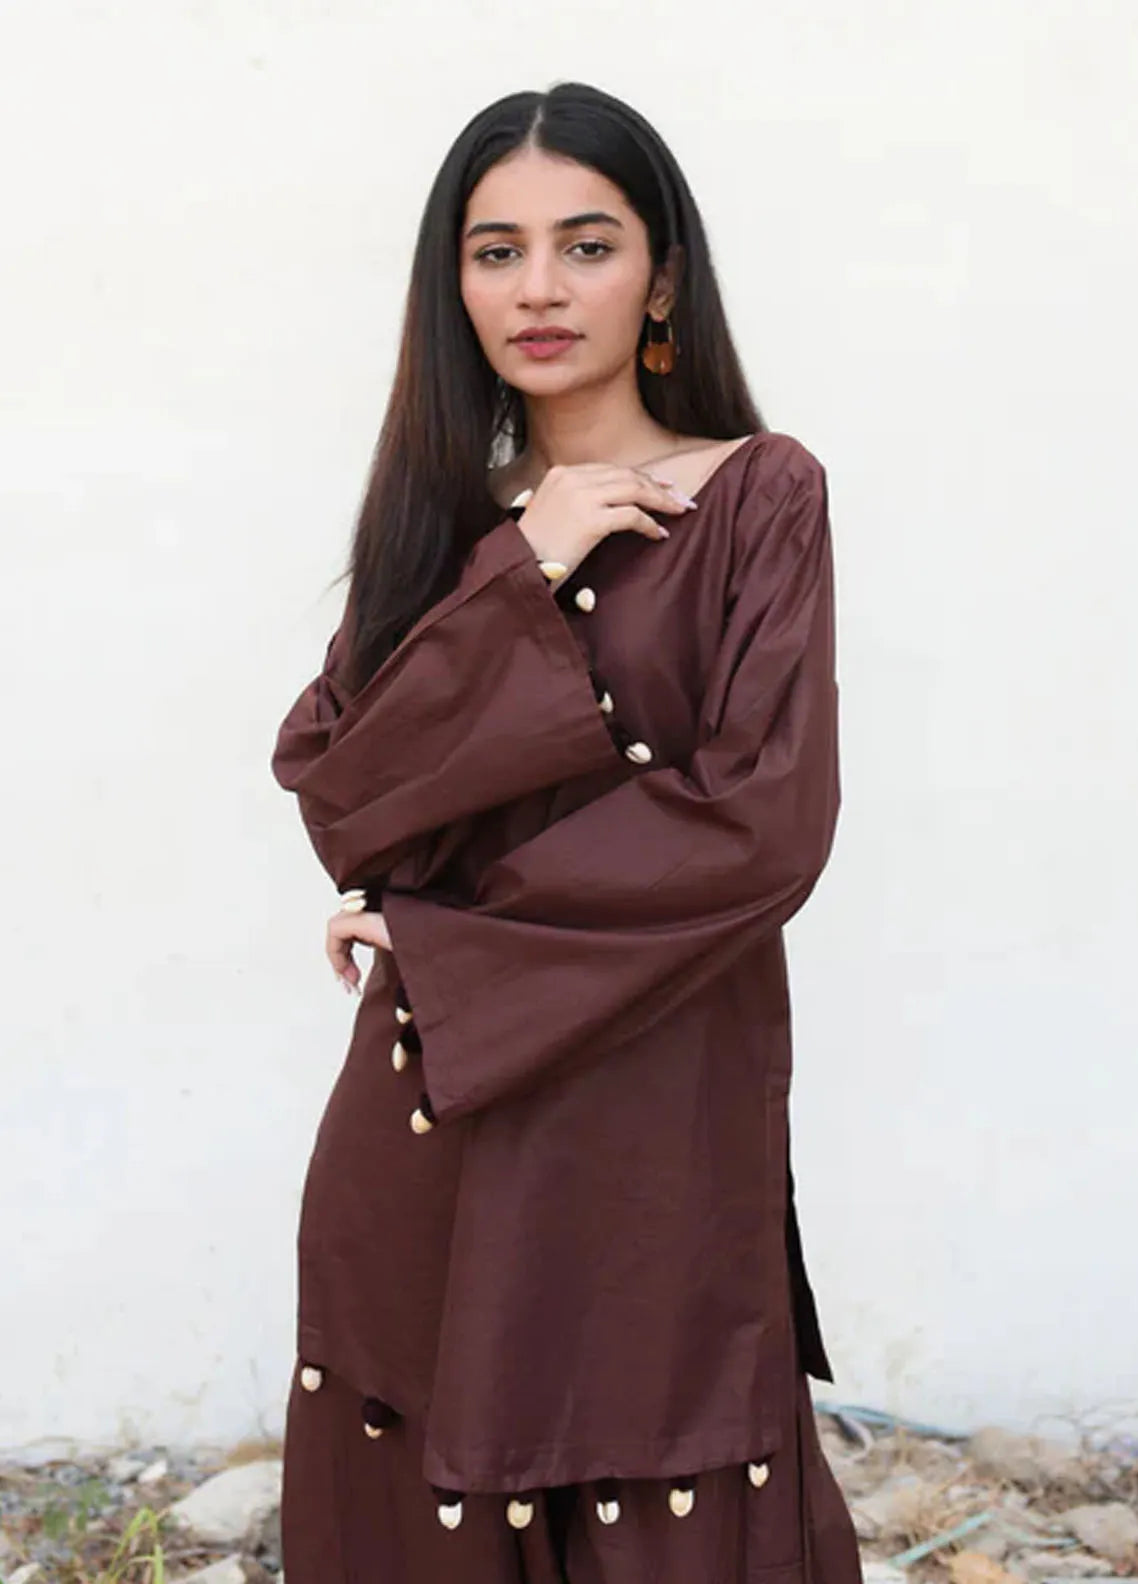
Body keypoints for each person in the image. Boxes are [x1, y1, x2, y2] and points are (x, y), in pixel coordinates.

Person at [270, 78, 862, 1584]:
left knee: (657, 1455)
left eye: (586, 245)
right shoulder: (444, 526)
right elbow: (345, 791)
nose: (538, 288)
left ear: (660, 279)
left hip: (653, 1096)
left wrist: (446, 939)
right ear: (455, 287)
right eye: (497, 251)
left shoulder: (758, 497)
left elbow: (760, 823)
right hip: (430, 1108)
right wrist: (518, 569)